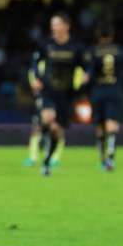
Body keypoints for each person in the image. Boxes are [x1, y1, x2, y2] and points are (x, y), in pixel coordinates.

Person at [29, 12, 86, 176]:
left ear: (66, 27)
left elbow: (86, 65)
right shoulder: (46, 44)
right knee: (47, 118)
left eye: (56, 24)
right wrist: (36, 78)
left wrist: (86, 76)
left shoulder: (76, 47)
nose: (53, 27)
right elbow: (35, 62)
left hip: (66, 93)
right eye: (52, 24)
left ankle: (46, 162)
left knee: (56, 129)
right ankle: (42, 135)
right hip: (48, 90)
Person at [82, 20, 123, 171]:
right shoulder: (121, 51)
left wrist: (84, 88)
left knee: (100, 125)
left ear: (97, 35)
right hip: (114, 90)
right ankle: (111, 158)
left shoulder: (92, 52)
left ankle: (103, 159)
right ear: (112, 35)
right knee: (112, 122)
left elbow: (88, 74)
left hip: (98, 91)